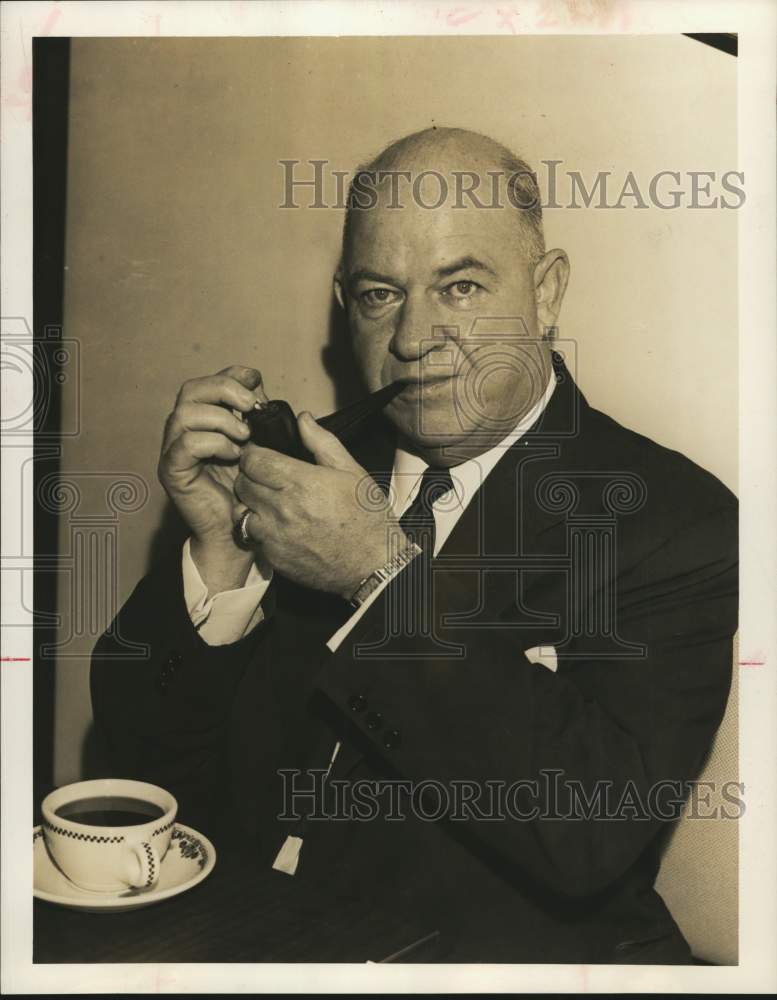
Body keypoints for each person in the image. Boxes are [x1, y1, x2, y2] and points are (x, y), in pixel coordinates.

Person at [90, 127, 738, 963]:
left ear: (546, 292)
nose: (413, 337)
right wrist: (218, 555)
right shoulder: (301, 463)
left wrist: (380, 575)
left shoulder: (671, 521)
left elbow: (586, 832)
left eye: (461, 286)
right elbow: (140, 757)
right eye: (378, 295)